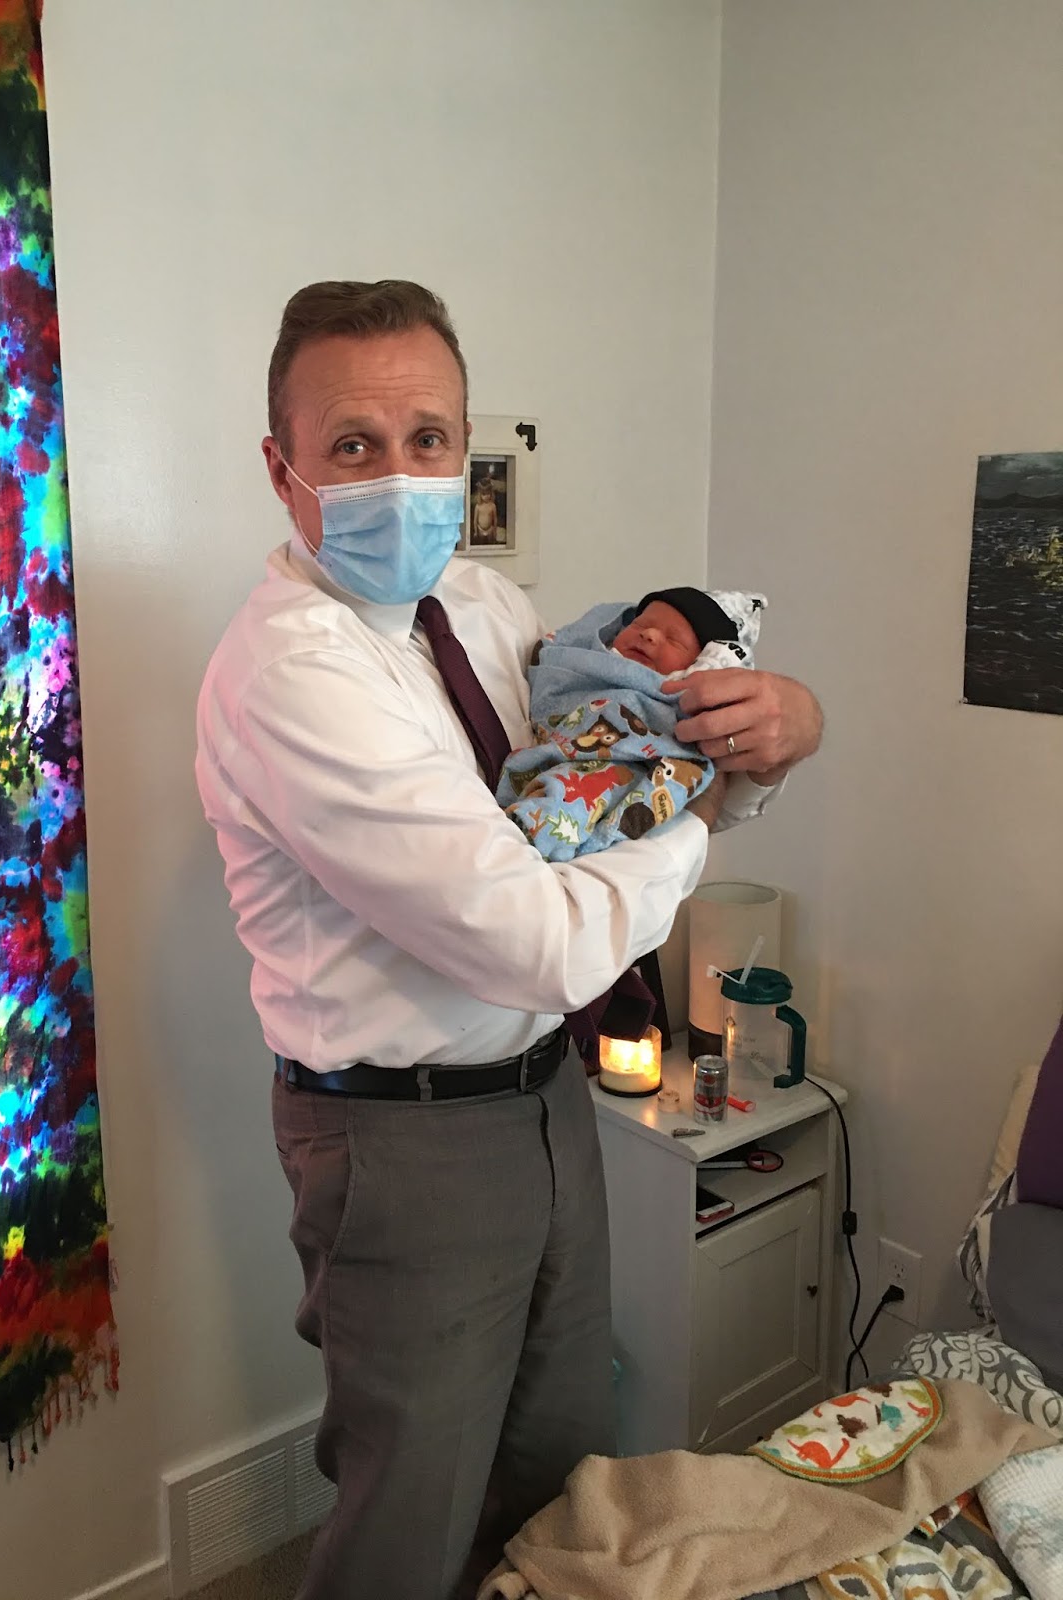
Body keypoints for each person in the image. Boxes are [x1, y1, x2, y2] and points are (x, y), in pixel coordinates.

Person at [194, 279, 823, 1600]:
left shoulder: (484, 610)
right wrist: (706, 814)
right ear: (279, 467)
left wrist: (771, 734)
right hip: (399, 1138)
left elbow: (616, 764)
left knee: (558, 1470)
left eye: (427, 438)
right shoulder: (293, 673)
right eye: (353, 444)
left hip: (547, 1096)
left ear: (464, 449)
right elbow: (541, 941)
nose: (400, 474)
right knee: (410, 1514)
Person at [498, 586, 767, 860]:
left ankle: (535, 832)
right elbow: (554, 679)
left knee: (576, 794)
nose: (649, 634)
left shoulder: (685, 699)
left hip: (629, 769)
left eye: (674, 640)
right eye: (640, 624)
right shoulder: (589, 664)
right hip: (559, 747)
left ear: (699, 665)